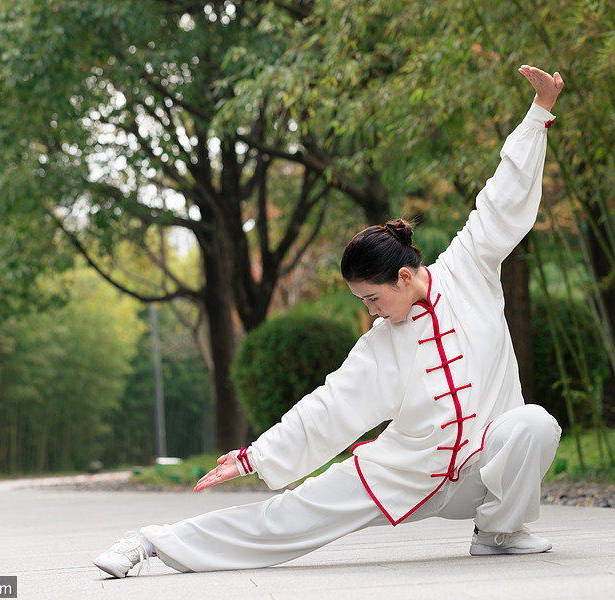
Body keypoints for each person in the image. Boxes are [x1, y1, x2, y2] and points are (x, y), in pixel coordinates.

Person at [94, 64, 565, 577]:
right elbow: (326, 409)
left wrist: (539, 113)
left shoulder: (469, 268)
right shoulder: (381, 345)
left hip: (479, 472)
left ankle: (499, 532)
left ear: (405, 277)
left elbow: (502, 200)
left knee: (534, 424)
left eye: (373, 298)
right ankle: (150, 544)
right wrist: (253, 457)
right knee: (288, 517)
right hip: (403, 472)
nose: (370, 312)